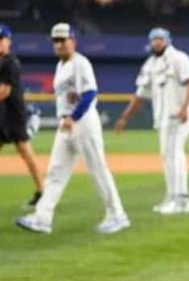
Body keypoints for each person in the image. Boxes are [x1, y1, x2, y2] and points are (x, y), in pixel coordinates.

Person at [16, 23, 129, 234]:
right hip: (66, 124)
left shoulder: (80, 63)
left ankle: (117, 215)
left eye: (63, 40)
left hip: (82, 122)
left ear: (73, 41)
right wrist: (67, 120)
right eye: (55, 41)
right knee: (55, 172)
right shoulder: (61, 66)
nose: (59, 44)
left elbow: (89, 93)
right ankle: (42, 218)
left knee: (97, 169)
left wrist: (74, 117)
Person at [115, 28, 189, 215]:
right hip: (164, 117)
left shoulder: (179, 58)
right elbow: (140, 95)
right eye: (153, 40)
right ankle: (171, 197)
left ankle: (182, 200)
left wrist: (185, 108)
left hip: (180, 112)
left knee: (175, 152)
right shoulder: (150, 65)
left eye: (160, 39)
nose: (156, 43)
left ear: (168, 40)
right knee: (166, 154)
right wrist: (125, 117)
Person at [0, 24, 44, 209]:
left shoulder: (10, 62)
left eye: (1, 39)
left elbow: (3, 92)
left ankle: (42, 192)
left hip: (14, 115)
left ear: (8, 41)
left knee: (26, 152)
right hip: (2, 115)